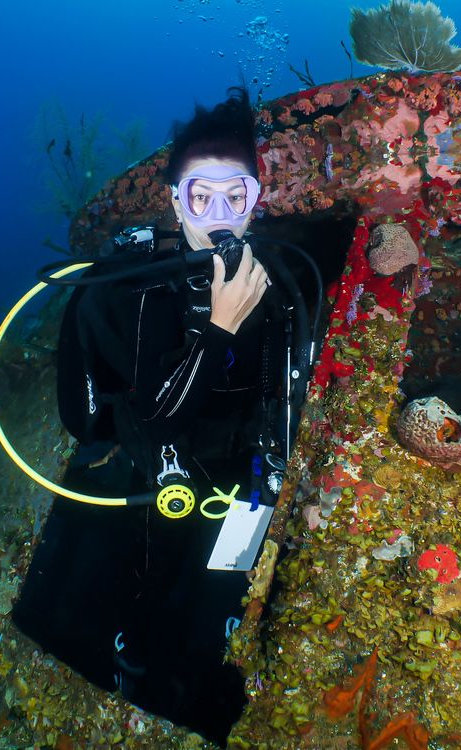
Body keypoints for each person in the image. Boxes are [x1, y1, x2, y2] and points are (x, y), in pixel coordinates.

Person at [52, 87, 286, 741]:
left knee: (228, 584)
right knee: (156, 576)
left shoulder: (275, 281)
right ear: (175, 203)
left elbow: (283, 389)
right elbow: (157, 423)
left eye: (236, 196)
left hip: (240, 468)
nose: (219, 217)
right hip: (166, 474)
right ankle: (135, 658)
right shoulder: (144, 293)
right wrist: (218, 328)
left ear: (256, 201)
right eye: (200, 198)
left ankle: (215, 668)